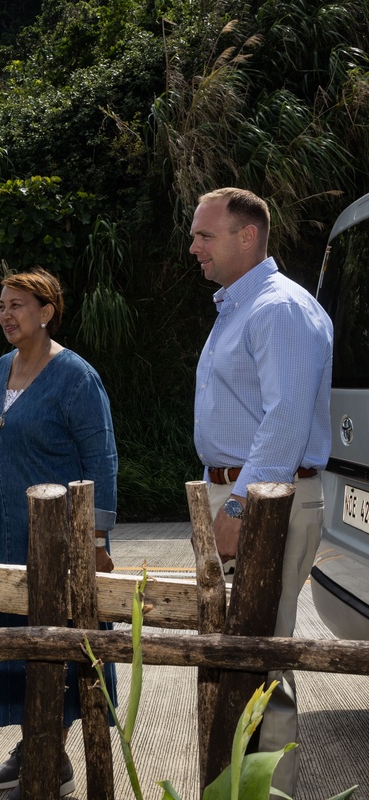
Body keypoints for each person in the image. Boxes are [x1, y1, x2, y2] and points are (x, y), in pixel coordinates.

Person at [190, 187, 332, 795]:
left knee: (265, 657)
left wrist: (243, 504)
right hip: (248, 496)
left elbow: (284, 419)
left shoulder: (278, 308)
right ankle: (241, 785)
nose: (193, 246)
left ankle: (271, 791)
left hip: (267, 503)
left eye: (205, 235)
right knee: (241, 654)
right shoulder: (243, 307)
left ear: (247, 236)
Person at [0, 268, 118, 799]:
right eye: (3, 305)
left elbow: (101, 456)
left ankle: (45, 751)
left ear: (47, 312)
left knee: (57, 640)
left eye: (19, 305)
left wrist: (96, 541)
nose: (7, 314)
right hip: (0, 533)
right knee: (16, 643)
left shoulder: (76, 376)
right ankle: (41, 750)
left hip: (55, 540)